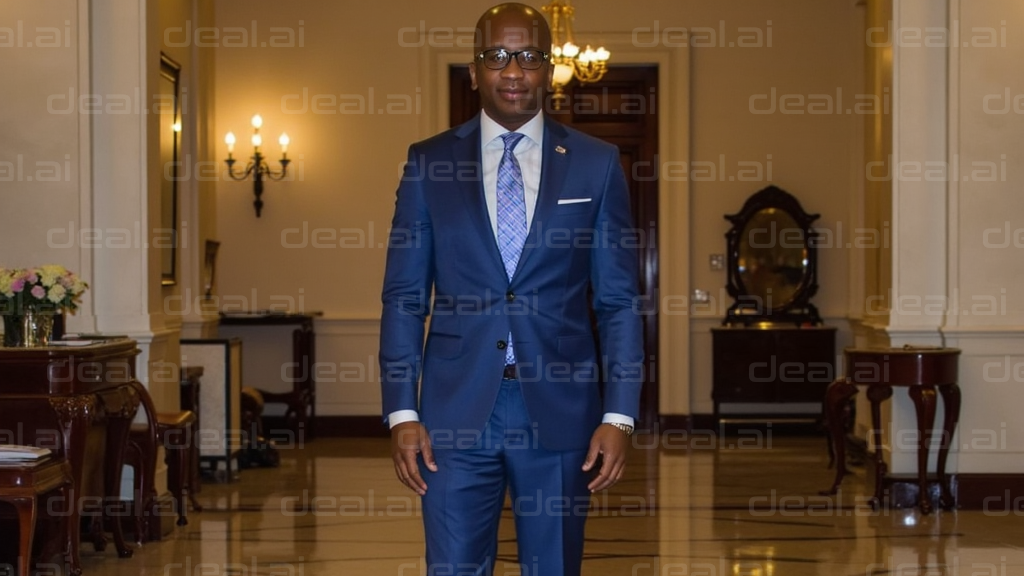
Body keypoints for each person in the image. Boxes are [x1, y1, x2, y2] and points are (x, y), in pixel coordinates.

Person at [379, 3, 644, 575]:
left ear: (548, 69)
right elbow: (404, 298)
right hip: (451, 416)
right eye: (497, 56)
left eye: (528, 56)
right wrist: (402, 412)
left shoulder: (597, 165)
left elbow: (619, 301)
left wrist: (619, 416)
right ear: (473, 71)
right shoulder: (428, 164)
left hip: (561, 413)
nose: (513, 70)